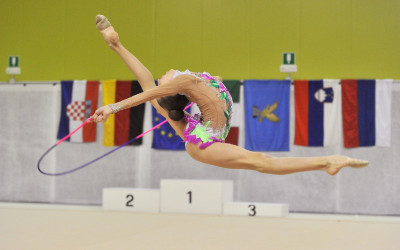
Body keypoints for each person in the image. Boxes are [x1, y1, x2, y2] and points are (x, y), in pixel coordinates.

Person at [91, 15, 368, 176]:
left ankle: (116, 44)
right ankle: (327, 162)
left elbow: (146, 81)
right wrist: (113, 107)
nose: (163, 74)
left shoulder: (200, 82)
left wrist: (116, 43)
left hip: (202, 132)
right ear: (174, 87)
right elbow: (146, 87)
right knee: (260, 161)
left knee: (260, 161)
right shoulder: (183, 81)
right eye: (164, 79)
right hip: (201, 143)